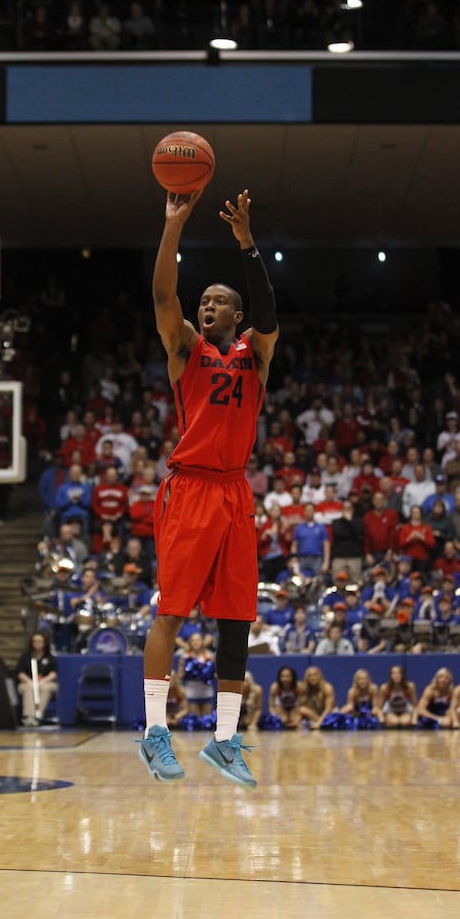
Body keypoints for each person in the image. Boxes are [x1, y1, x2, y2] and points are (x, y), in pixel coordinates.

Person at [138, 188, 279, 788]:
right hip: (191, 489)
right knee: (171, 611)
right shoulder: (185, 351)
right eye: (204, 302)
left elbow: (271, 313)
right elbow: (164, 295)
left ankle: (223, 741)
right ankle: (154, 733)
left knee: (236, 620)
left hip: (235, 493)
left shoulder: (257, 355)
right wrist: (174, 226)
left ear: (236, 317)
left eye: (219, 302)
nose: (207, 307)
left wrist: (247, 242)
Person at [15, 631, 58, 727]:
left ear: (45, 643)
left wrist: (43, 681)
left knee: (46, 687)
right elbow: (20, 673)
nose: (37, 644)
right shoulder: (25, 657)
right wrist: (30, 682)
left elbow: (54, 673)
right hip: (27, 683)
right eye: (35, 641)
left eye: (40, 641)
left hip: (46, 683)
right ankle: (29, 717)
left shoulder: (50, 657)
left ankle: (38, 716)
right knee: (28, 688)